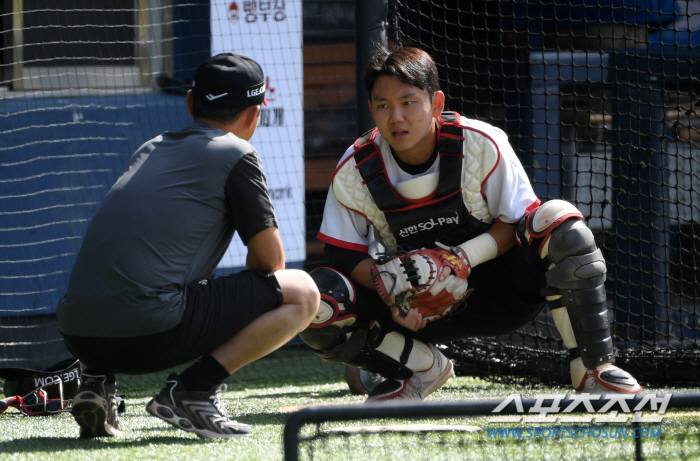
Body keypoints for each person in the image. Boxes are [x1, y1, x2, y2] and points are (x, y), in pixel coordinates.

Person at [299, 46, 642, 402]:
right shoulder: (356, 167)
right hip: (418, 310)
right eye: (383, 105)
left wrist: (460, 259)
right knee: (317, 300)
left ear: (436, 103)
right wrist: (391, 287)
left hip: (502, 294)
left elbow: (517, 222)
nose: (396, 117)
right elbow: (341, 253)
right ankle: (416, 370)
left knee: (559, 222)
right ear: (371, 109)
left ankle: (594, 371)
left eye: (408, 102)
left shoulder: (481, 143)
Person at [56, 53, 319, 438]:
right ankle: (194, 390)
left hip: (78, 335)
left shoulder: (151, 147)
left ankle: (96, 382)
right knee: (302, 292)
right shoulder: (237, 153)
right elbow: (271, 262)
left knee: (140, 279)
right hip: (149, 333)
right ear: (255, 115)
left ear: (191, 103)